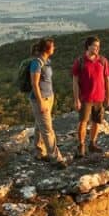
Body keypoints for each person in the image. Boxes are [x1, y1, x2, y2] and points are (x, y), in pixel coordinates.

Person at [71, 35, 109, 158]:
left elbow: (107, 79)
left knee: (97, 121)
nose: (97, 48)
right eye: (94, 46)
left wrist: (108, 96)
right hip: (85, 98)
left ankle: (92, 144)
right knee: (83, 122)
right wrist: (76, 99)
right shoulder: (80, 61)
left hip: (99, 97)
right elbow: (75, 81)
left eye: (98, 46)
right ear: (88, 46)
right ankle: (81, 145)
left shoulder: (103, 61)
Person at [28, 37, 65, 165]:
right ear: (47, 48)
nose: (54, 48)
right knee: (48, 129)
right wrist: (41, 101)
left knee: (40, 125)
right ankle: (56, 158)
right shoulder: (37, 63)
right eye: (53, 46)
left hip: (49, 97)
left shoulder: (47, 61)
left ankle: (39, 152)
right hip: (40, 99)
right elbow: (34, 83)